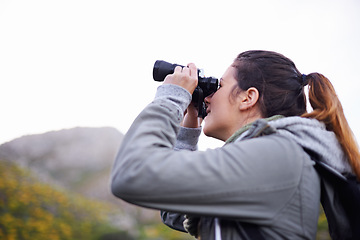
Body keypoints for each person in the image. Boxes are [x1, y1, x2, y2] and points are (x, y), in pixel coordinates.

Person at [111, 50, 360, 239]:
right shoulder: (270, 155)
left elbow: (132, 173)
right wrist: (189, 128)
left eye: (218, 85)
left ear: (247, 97)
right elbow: (171, 206)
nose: (207, 95)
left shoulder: (277, 156)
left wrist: (172, 98)